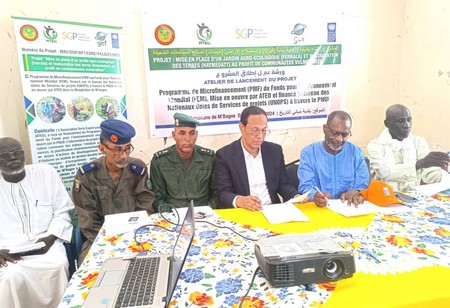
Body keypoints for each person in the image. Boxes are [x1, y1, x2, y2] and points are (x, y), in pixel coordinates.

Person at [0, 137, 74, 308]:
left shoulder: (45, 173)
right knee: (11, 276)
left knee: (58, 265)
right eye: (5, 155)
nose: (13, 157)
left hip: (47, 244)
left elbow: (63, 211)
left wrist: (50, 238)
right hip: (8, 251)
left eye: (17, 152)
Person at [73, 119, 155, 263]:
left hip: (135, 235)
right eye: (117, 149)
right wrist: (112, 242)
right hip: (99, 239)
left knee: (154, 262)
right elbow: (88, 221)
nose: (124, 155)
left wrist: (133, 236)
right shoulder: (86, 176)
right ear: (102, 148)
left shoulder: (138, 169)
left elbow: (145, 206)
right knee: (91, 272)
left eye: (127, 148)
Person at [215, 106, 300, 210]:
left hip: (272, 209)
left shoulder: (274, 151)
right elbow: (223, 193)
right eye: (255, 130)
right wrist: (239, 200)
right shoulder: (225, 155)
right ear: (242, 128)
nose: (260, 136)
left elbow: (283, 185)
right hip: (245, 211)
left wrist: (296, 197)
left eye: (263, 130)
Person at [367, 104, 449, 191]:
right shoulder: (375, 146)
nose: (407, 125)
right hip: (384, 197)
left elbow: (428, 176)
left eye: (409, 120)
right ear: (387, 123)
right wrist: (419, 164)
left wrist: (442, 173)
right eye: (400, 121)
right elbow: (385, 173)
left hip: (412, 197)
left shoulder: (419, 142)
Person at [298, 110, 369, 207]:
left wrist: (356, 191)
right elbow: (306, 186)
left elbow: (362, 184)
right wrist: (314, 195)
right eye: (335, 133)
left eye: (345, 135)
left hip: (349, 208)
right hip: (320, 209)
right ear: (325, 129)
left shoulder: (356, 152)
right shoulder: (309, 153)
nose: (340, 139)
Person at [150, 113, 217, 212]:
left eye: (192, 133)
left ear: (196, 135)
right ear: (174, 135)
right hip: (172, 216)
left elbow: (216, 193)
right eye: (182, 133)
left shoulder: (209, 158)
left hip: (204, 215)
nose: (188, 138)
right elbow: (157, 199)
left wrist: (207, 211)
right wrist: (172, 215)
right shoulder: (160, 161)